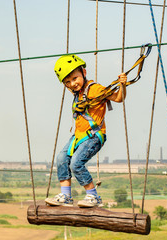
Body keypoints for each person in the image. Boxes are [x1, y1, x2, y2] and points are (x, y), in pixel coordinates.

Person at [45, 54, 127, 208]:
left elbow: (118, 98)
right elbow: (73, 86)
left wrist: (122, 84)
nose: (72, 84)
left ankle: (93, 196)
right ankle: (66, 195)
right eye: (67, 82)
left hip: (94, 136)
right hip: (78, 136)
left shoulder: (94, 89)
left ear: (84, 72)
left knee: (76, 163)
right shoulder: (76, 92)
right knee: (62, 158)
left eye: (75, 78)